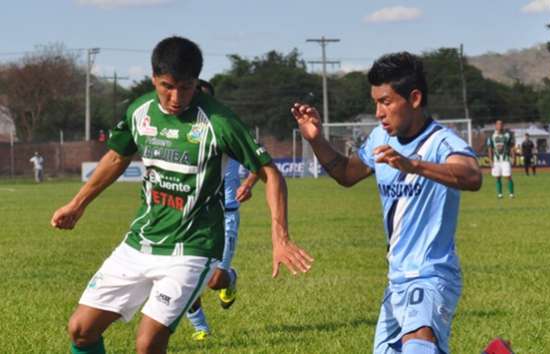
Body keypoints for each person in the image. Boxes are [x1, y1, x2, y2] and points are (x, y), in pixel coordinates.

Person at [51, 36, 313, 354]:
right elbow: (117, 157)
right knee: (81, 330)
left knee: (147, 344)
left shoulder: (219, 122)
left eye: (186, 87)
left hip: (192, 247)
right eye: (167, 86)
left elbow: (271, 173)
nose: (176, 97)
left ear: (197, 82)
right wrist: (77, 204)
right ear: (153, 80)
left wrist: (280, 237)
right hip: (141, 242)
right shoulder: (140, 111)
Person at [291, 52, 482, 354]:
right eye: (376, 102)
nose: (379, 112)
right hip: (396, 280)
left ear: (415, 98)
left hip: (430, 274)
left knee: (419, 343)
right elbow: (346, 173)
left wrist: (416, 166)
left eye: (386, 102)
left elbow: (472, 175)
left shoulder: (441, 142)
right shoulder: (381, 138)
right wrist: (316, 139)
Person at [186, 79, 260, 342]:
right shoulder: (184, 134)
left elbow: (260, 164)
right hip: (188, 216)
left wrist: (249, 184)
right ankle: (201, 328)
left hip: (225, 213)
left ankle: (230, 278)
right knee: (181, 278)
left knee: (215, 280)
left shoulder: (227, 130)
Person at [487, 120, 515, 198]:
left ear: (503, 126)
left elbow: (512, 147)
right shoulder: (491, 136)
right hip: (496, 160)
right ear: (496, 126)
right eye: (498, 124)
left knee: (508, 176)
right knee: (497, 177)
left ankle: (511, 194)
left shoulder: (508, 135)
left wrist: (513, 157)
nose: (500, 126)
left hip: (505, 159)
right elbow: (490, 148)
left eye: (501, 124)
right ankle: (500, 194)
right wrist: (490, 160)